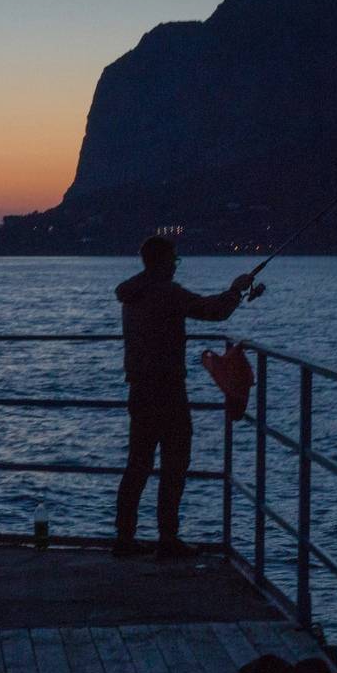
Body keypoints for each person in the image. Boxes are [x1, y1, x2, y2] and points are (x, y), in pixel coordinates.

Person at [114, 236, 252, 559]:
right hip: (168, 390)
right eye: (173, 260)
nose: (176, 266)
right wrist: (236, 290)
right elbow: (212, 311)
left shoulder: (132, 293)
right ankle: (167, 538)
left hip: (139, 389)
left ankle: (124, 537)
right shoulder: (167, 293)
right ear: (163, 261)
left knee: (138, 464)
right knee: (175, 463)